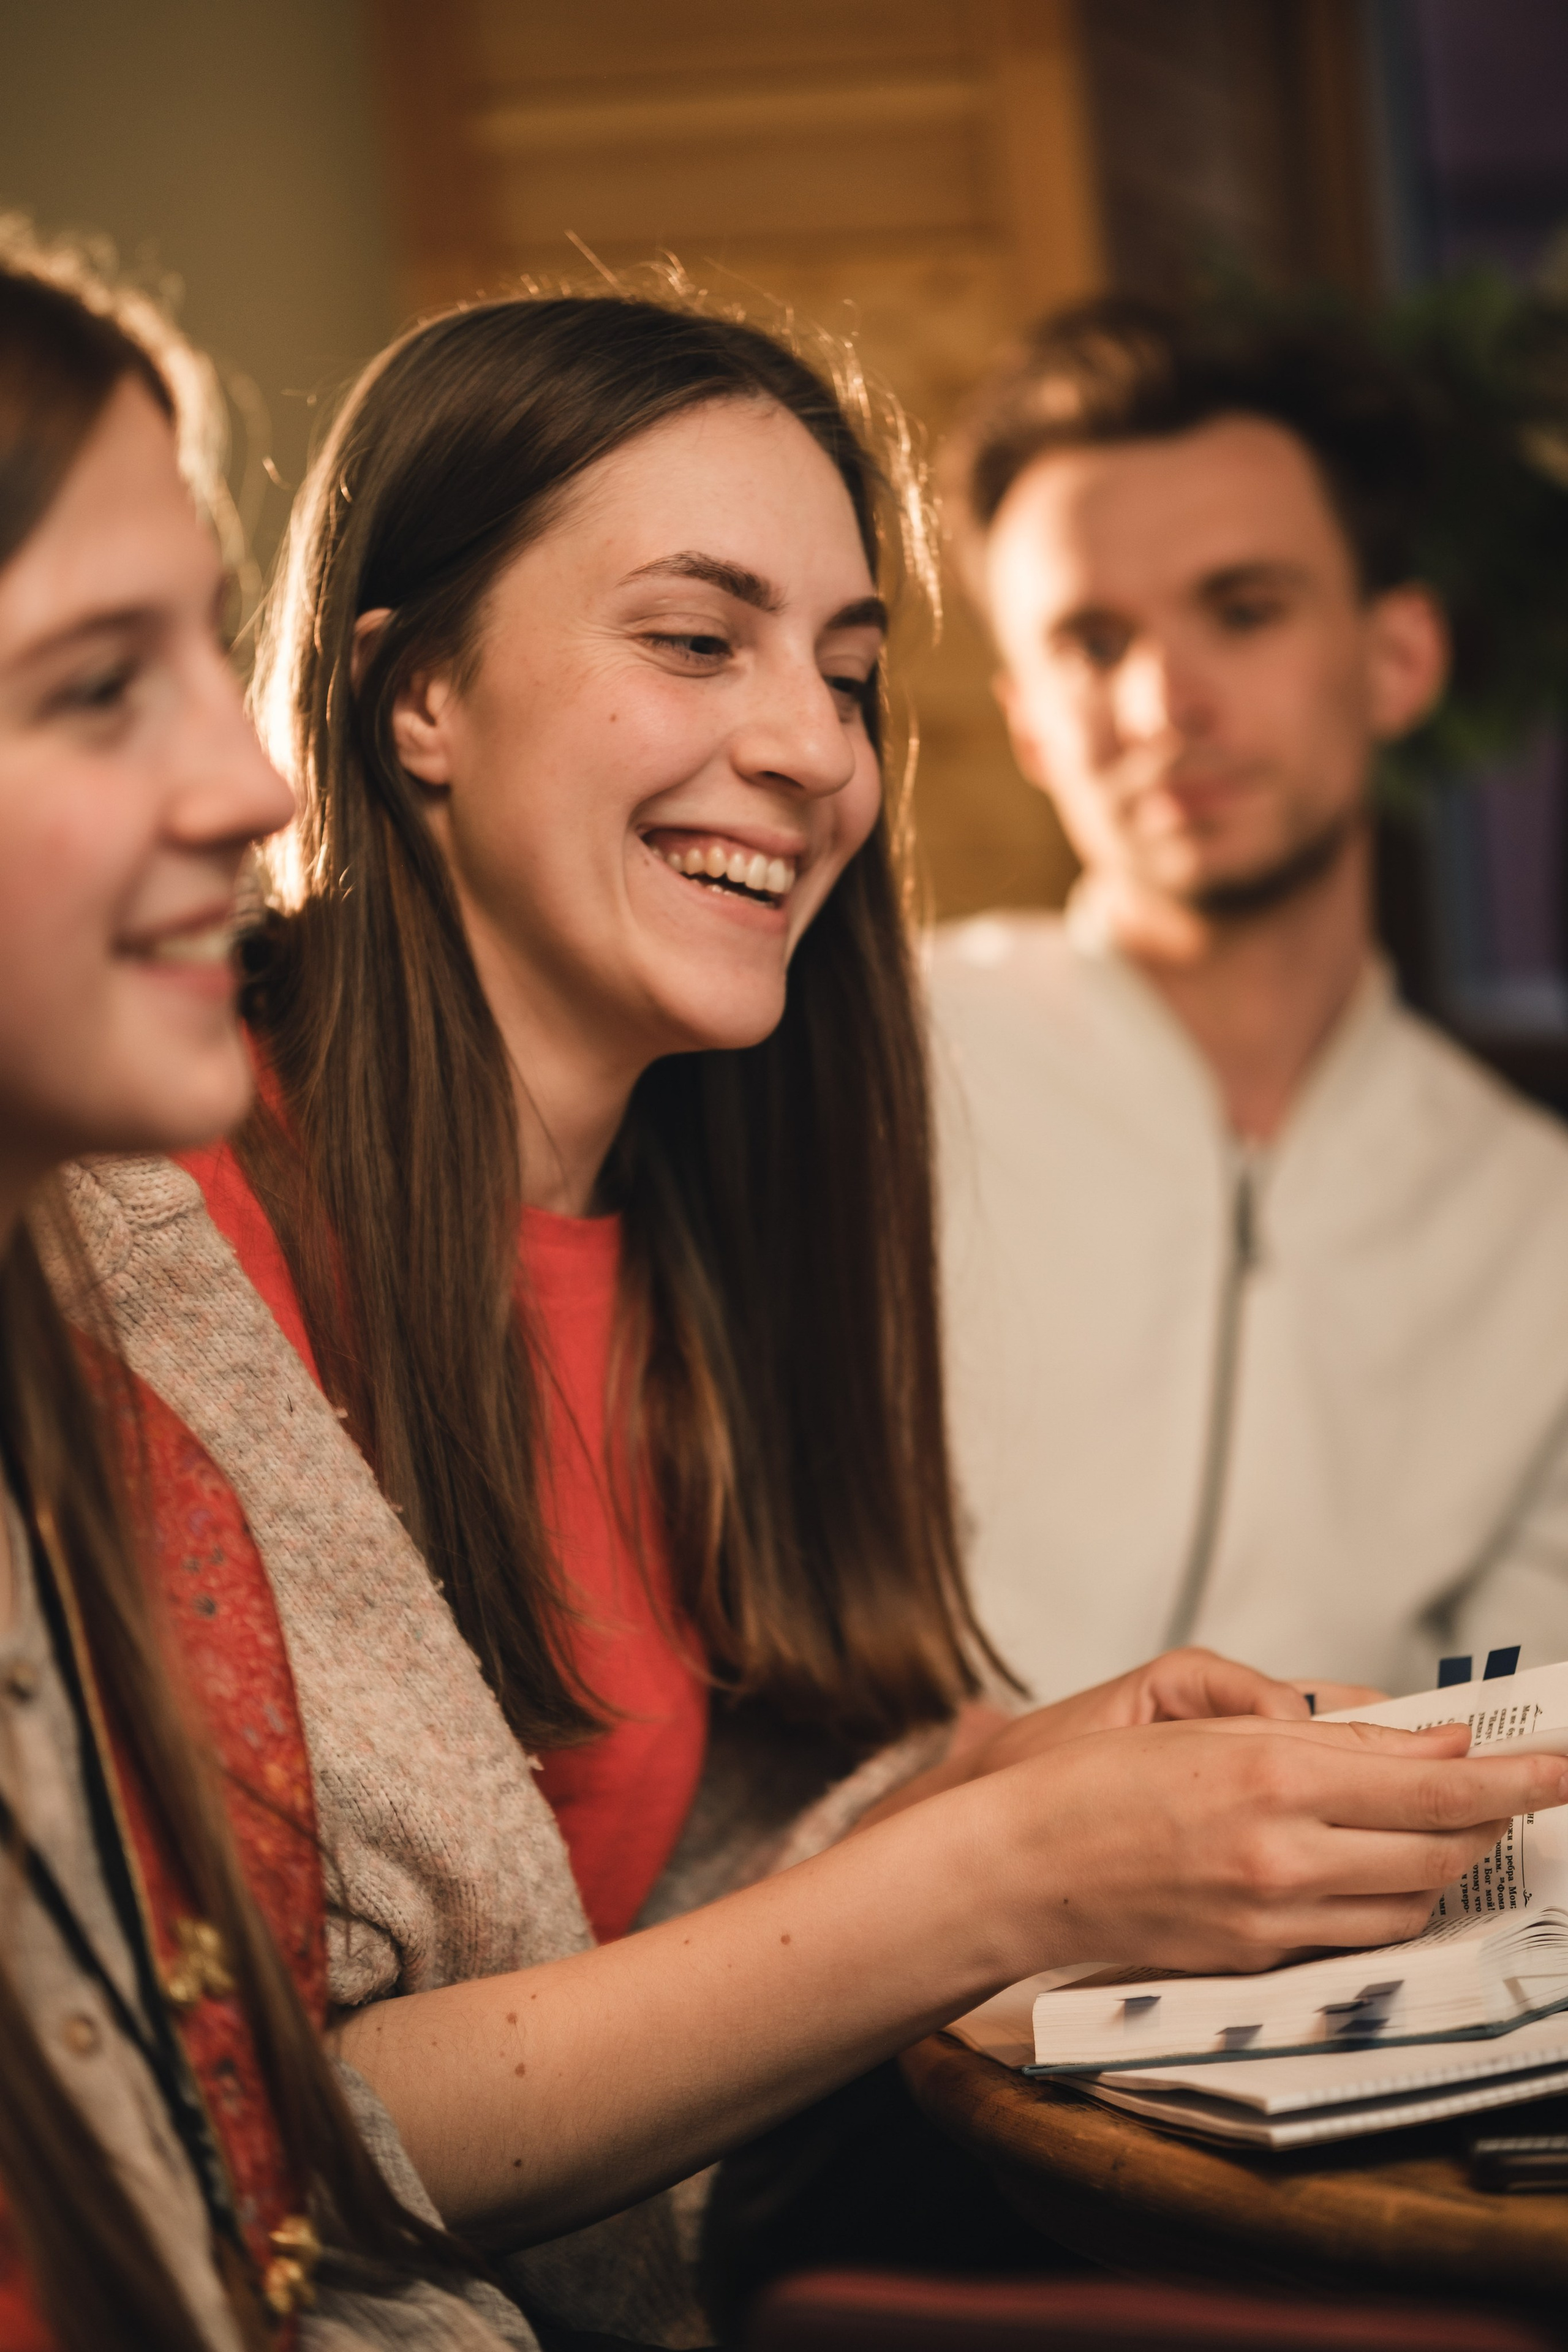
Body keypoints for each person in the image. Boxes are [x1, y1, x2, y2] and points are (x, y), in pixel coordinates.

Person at [61, 286, 1568, 2343]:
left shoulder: (729, 1193)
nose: (809, 746)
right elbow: (249, 2129)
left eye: (850, 674)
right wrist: (1003, 1864)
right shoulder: (132, 1232)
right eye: (697, 639)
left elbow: (664, 1887)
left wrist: (985, 1788)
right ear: (409, 700)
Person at [0, 230, 535, 2350]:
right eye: (94, 684)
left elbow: (260, 2230)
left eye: (208, 656)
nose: (254, 786)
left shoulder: (94, 1439)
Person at [932, 293, 1568, 1706]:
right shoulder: (870, 1073)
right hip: (894, 1919)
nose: (1163, 702)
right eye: (1091, 641)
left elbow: (1515, 1741)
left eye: (1242, 611)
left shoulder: (1539, 1229)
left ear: (1397, 658)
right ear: (1029, 719)